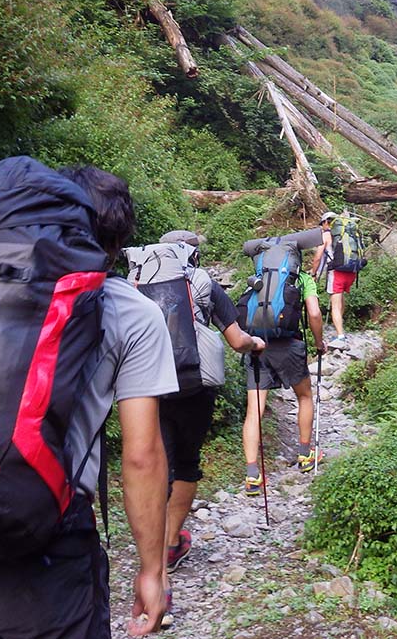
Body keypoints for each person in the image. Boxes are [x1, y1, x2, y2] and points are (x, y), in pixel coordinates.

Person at [0, 166, 176, 638]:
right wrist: (151, 570)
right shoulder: (131, 312)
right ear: (116, 241)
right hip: (46, 544)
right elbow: (141, 456)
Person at [151, 230, 265, 574]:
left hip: (147, 384)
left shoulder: (137, 280)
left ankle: (151, 544)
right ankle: (170, 545)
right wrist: (255, 344)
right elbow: (236, 340)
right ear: (193, 254)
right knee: (186, 463)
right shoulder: (203, 283)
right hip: (192, 385)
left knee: (155, 463)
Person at [241, 252, 326, 494]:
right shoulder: (301, 279)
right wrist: (319, 343)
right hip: (289, 346)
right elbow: (314, 314)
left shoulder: (257, 278)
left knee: (253, 411)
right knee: (305, 396)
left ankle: (252, 475)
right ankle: (305, 453)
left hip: (257, 346)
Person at [310, 211, 355, 340]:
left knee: (335, 305)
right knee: (340, 301)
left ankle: (340, 336)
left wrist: (313, 274)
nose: (321, 227)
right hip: (351, 272)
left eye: (322, 224)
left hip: (337, 273)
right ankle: (339, 328)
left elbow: (318, 257)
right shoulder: (345, 232)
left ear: (325, 222)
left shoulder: (327, 236)